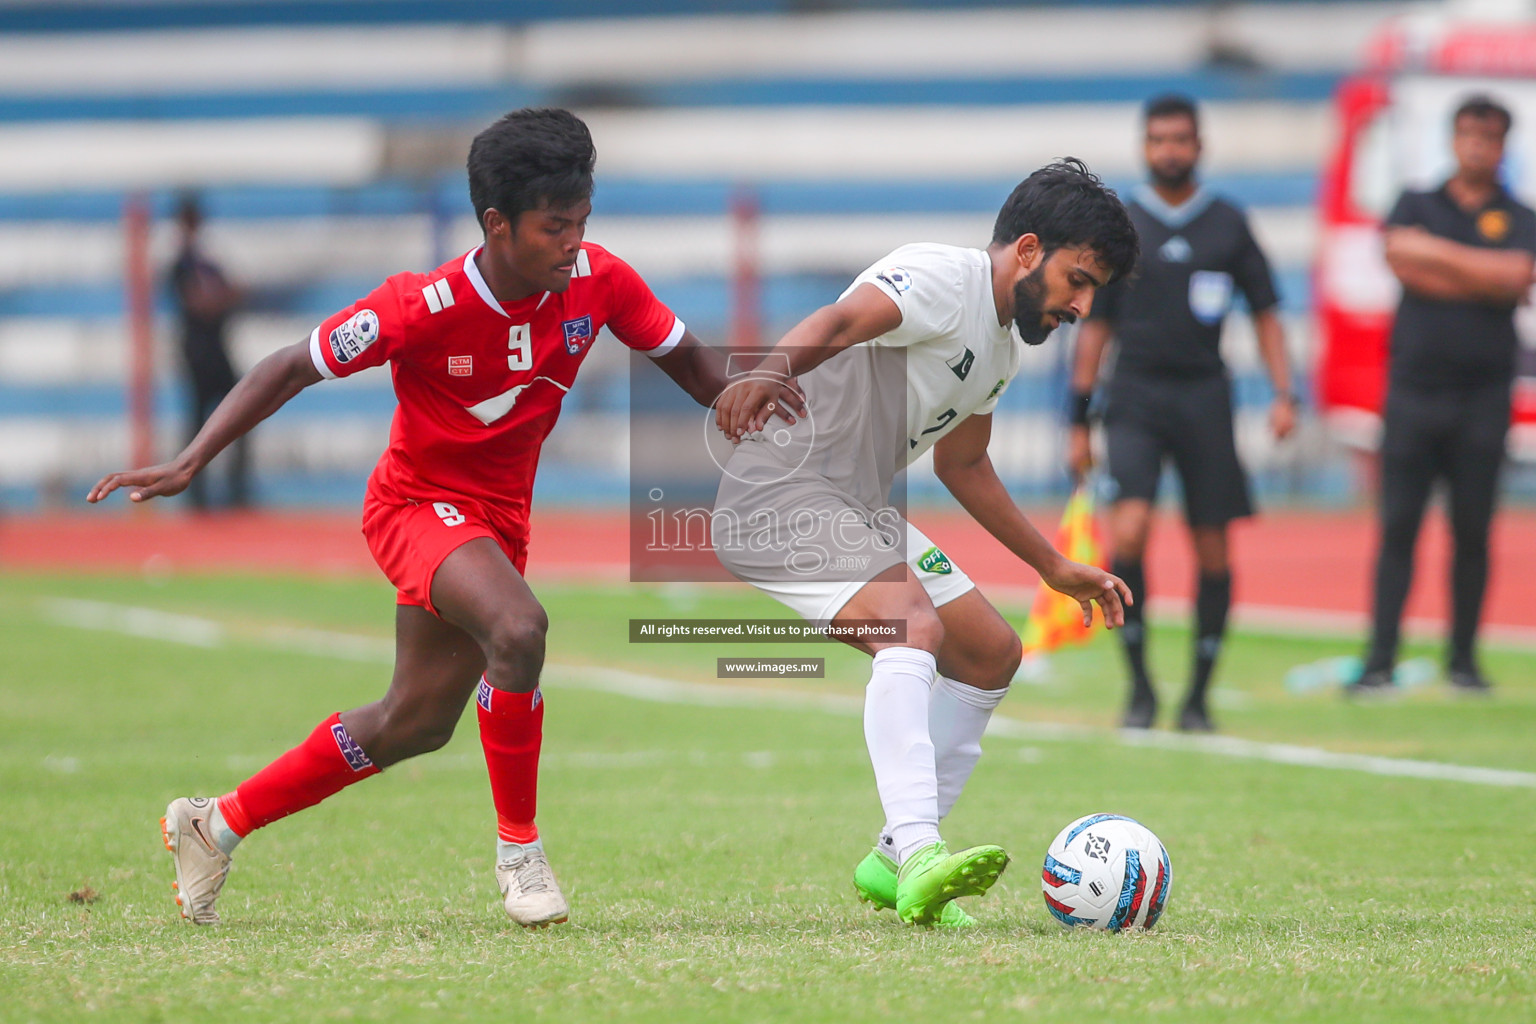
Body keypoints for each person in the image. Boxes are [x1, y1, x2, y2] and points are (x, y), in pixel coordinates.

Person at [88, 108, 798, 928]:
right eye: (554, 227)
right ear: (496, 225)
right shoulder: (419, 307)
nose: (574, 243)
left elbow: (692, 364)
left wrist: (745, 395)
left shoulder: (601, 281)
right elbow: (290, 366)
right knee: (519, 628)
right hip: (416, 506)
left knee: (414, 723)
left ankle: (216, 823)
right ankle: (520, 852)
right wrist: (190, 458)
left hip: (497, 525)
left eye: (583, 223)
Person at [713, 159, 1139, 928]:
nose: (1081, 304)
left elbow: (962, 462)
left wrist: (1053, 567)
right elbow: (840, 321)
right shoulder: (944, 278)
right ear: (1030, 249)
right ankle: (917, 853)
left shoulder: (1002, 349)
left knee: (987, 651)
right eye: (1079, 280)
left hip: (856, 503)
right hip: (782, 492)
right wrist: (765, 374)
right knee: (910, 626)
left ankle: (889, 858)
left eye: (1093, 292)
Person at [1066, 94, 1296, 733]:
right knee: (1130, 533)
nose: (1170, 150)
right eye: (1159, 139)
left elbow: (1268, 313)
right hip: (1134, 396)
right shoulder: (1124, 224)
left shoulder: (1227, 222)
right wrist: (1076, 419)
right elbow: (1093, 327)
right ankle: (1140, 688)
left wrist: (1284, 393)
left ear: (1199, 146)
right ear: (1146, 146)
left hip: (1205, 396)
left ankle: (1198, 695)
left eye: (1180, 139)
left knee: (1213, 546)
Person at [1354, 95, 1536, 695]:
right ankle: (1380, 658)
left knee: (1473, 532)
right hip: (1413, 391)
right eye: (1467, 134)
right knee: (1399, 527)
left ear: (1503, 145)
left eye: (1489, 137)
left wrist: (1438, 254)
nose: (1477, 146)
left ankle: (1463, 659)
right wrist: (1483, 273)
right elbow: (1400, 258)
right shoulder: (1416, 201)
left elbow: (1516, 279)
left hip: (1482, 395)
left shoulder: (1520, 214)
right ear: (1452, 139)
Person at [169, 194, 250, 510]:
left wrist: (221, 298)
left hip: (216, 350)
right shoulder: (180, 266)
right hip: (198, 353)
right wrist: (222, 298)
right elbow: (201, 303)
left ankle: (234, 490)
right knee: (199, 424)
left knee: (239, 415)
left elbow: (233, 294)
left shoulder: (207, 263)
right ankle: (197, 496)